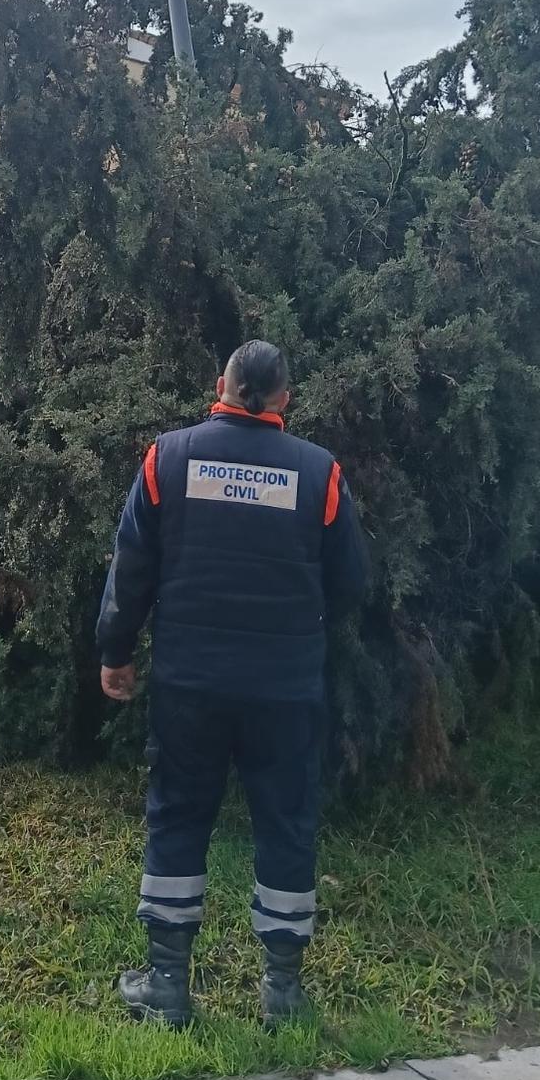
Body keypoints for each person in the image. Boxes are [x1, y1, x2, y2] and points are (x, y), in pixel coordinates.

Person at [97, 340, 369, 1028]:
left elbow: (132, 568)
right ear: (284, 395)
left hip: (192, 684)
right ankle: (282, 991)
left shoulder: (169, 458)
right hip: (285, 689)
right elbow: (350, 586)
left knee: (179, 815)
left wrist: (116, 649)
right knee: (286, 822)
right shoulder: (321, 473)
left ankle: (166, 984)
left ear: (220, 383)